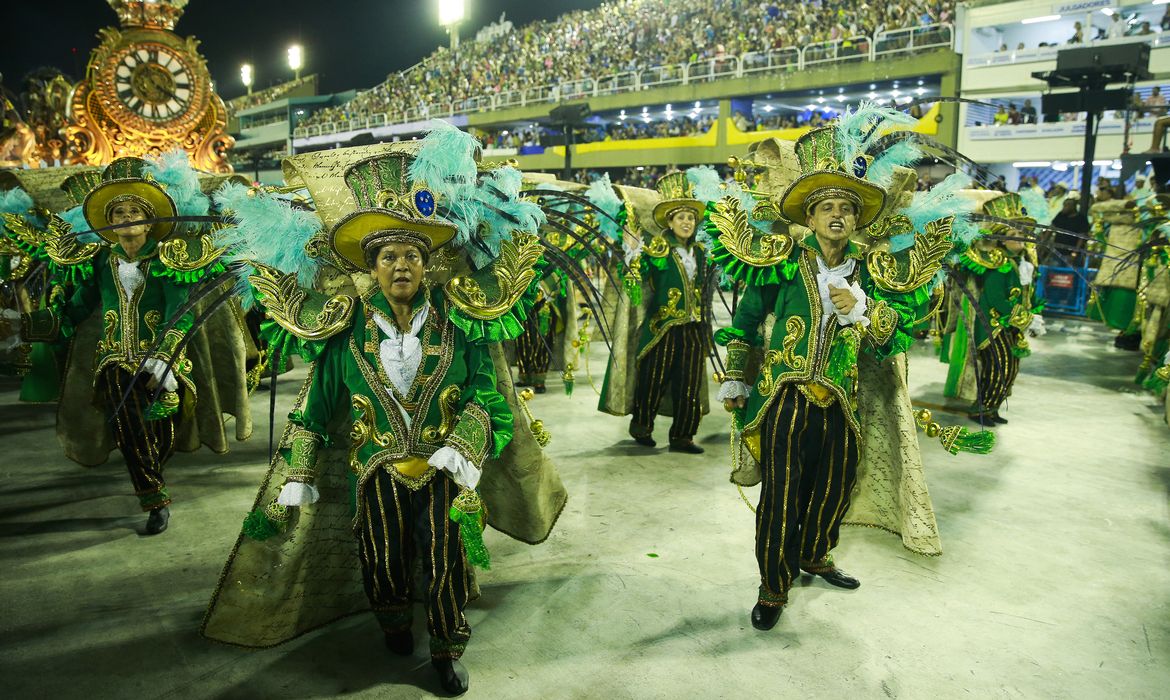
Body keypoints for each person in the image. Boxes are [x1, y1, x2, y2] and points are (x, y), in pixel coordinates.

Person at [202, 132, 568, 697]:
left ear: (428, 264)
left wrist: (462, 446)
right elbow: (317, 408)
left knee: (447, 561)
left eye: (413, 255)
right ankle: (395, 624)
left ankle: (447, 647)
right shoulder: (346, 329)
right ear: (371, 268)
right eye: (388, 256)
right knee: (382, 561)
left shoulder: (456, 322)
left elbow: (487, 395)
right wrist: (297, 474)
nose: (401, 266)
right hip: (374, 475)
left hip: (445, 471)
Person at [713, 124, 920, 629]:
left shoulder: (868, 275)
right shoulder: (783, 264)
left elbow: (896, 337)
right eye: (827, 207)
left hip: (842, 402)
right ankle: (773, 586)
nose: (838, 215)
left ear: (856, 220)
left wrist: (865, 310)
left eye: (847, 208)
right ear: (809, 217)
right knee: (782, 494)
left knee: (834, 487)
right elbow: (744, 323)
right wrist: (736, 378)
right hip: (784, 398)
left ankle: (814, 554)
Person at [0, 158, 196, 534]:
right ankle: (155, 501)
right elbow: (76, 308)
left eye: (133, 211)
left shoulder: (169, 262)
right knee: (131, 433)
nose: (125, 218)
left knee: (162, 437)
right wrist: (36, 324)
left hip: (160, 365)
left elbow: (181, 313)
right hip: (113, 364)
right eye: (118, 212)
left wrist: (164, 357)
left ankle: (153, 477)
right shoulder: (100, 263)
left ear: (149, 219)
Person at [599, 171, 711, 454]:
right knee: (653, 380)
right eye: (681, 218)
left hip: (694, 329)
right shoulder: (658, 250)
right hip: (662, 329)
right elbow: (637, 280)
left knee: (689, 384)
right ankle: (642, 427)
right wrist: (632, 252)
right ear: (669, 222)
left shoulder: (700, 252)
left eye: (691, 218)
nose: (687, 222)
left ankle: (683, 437)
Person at [960, 193, 1045, 424]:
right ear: (1002, 240)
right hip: (993, 326)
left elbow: (1027, 296)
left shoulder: (1023, 265)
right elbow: (996, 299)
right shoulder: (999, 264)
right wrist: (1026, 318)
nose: (1020, 238)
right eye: (1013, 234)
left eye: (1022, 234)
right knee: (998, 368)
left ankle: (992, 408)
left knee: (1009, 369)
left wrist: (1034, 314)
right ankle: (982, 409)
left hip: (1010, 327)